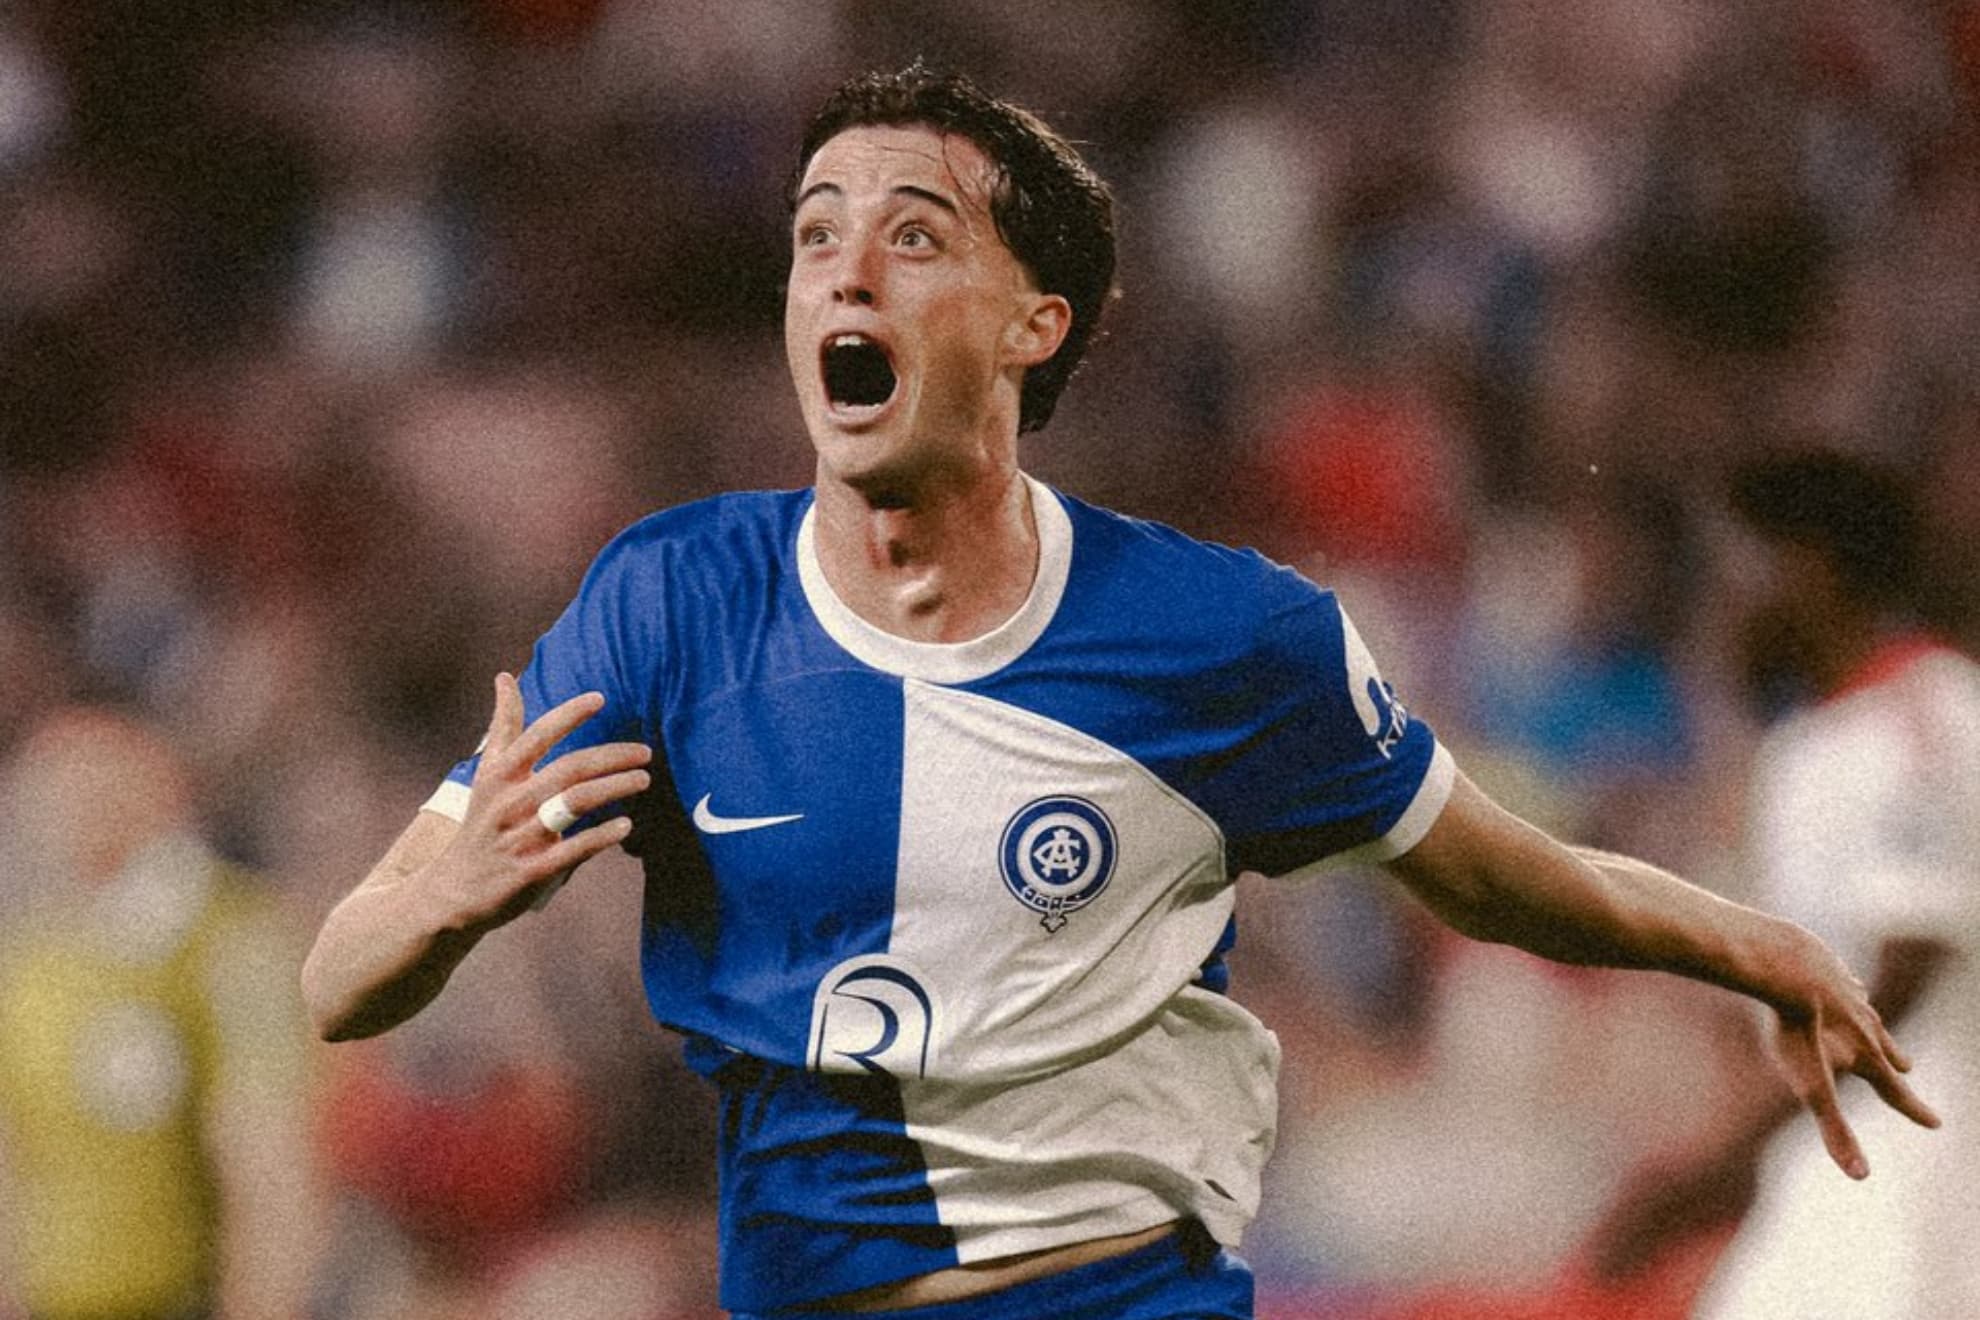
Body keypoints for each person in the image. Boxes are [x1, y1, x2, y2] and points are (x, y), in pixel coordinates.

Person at [301, 67, 1938, 1319]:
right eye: (814, 237)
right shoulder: (667, 603)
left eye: (911, 236)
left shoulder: (1223, 636)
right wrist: (438, 907)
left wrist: (1751, 943)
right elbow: (342, 980)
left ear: (1036, 324)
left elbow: (1505, 873)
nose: (845, 274)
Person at [1594, 453, 1979, 1318]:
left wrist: (1711, 1168)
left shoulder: (1926, 714)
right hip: (1832, 1160)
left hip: (1925, 1167)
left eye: (1737, 566)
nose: (1721, 601)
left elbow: (1902, 977)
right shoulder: (1805, 751)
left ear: (1808, 568)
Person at [0, 708, 322, 1320]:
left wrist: (263, 1301)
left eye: (97, 771)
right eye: (53, 778)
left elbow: (267, 1153)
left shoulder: (232, 935)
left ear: (161, 778)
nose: (69, 799)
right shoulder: (33, 957)